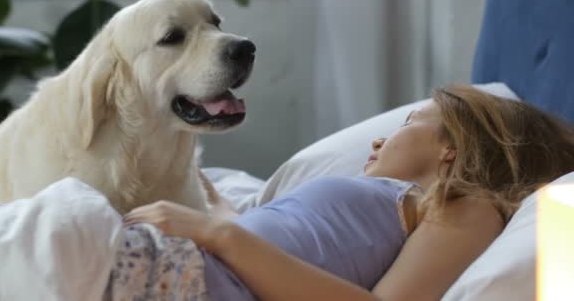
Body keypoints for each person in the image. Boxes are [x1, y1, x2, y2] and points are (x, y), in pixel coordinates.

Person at [112, 84, 574, 300]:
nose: (378, 140)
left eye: (408, 123)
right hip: (182, 261)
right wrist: (220, 211)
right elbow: (282, 238)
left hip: (190, 281)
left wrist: (219, 235)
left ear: (453, 145)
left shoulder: (467, 208)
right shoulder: (390, 196)